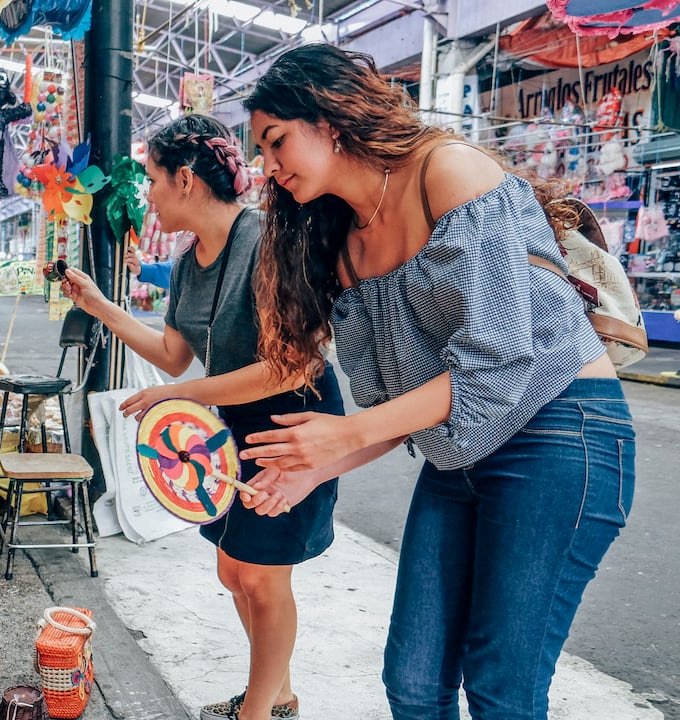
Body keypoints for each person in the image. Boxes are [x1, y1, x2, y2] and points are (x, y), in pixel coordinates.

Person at [238, 44, 634, 720]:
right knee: (414, 683)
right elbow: (399, 411)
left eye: (276, 141)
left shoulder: (446, 171)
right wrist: (316, 468)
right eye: (260, 150)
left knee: (500, 689)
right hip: (462, 456)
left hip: (563, 430)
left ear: (330, 121)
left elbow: (500, 359)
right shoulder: (344, 248)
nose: (267, 166)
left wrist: (343, 433)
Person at [61, 113, 345, 720]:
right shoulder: (189, 264)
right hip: (230, 429)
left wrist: (185, 396)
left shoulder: (268, 239)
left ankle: (259, 711)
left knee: (265, 580)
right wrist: (100, 306)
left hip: (295, 425)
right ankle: (280, 694)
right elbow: (172, 356)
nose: (149, 195)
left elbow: (291, 365)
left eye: (154, 180)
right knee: (233, 571)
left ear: (185, 180)